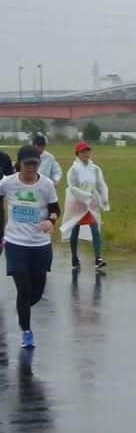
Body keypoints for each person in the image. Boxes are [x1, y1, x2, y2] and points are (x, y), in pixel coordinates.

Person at [0, 145, 60, 350]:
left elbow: (55, 209)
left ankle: (22, 306)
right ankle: (26, 331)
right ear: (19, 164)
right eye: (28, 164)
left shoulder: (46, 185)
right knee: (23, 289)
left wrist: (51, 221)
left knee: (36, 292)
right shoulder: (8, 183)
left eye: (35, 164)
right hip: (15, 243)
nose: (31, 168)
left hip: (40, 244)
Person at [60, 141, 110, 272]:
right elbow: (72, 186)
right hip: (77, 202)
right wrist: (84, 196)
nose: (86, 153)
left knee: (95, 228)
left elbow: (100, 184)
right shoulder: (74, 169)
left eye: (87, 151)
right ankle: (74, 257)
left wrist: (104, 198)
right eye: (83, 151)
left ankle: (98, 258)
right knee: (75, 230)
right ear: (78, 153)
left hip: (91, 203)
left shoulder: (95, 169)